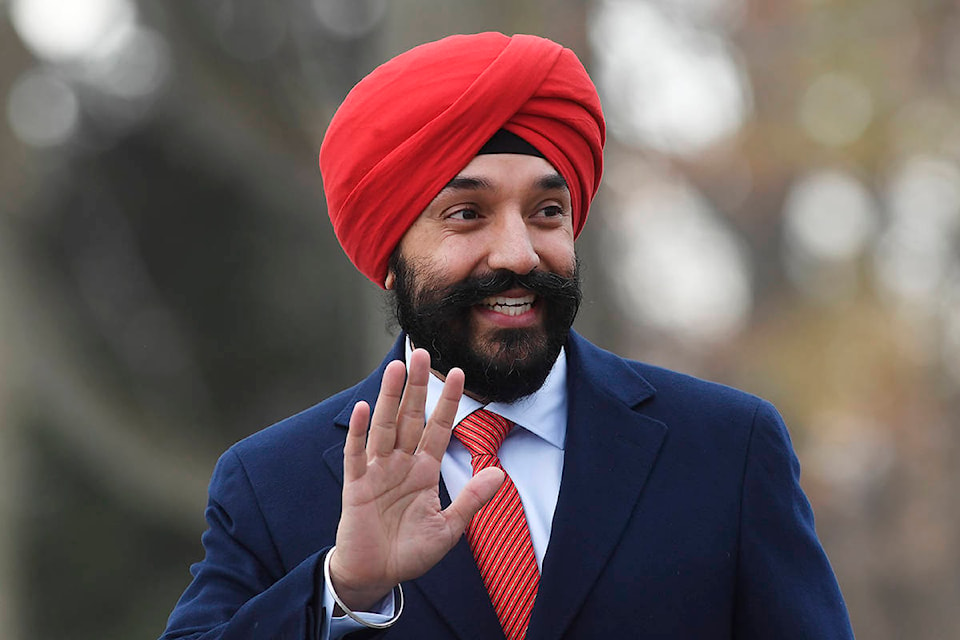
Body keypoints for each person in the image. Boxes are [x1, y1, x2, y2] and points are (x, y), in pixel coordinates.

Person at [161, 32, 854, 640]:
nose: (519, 253)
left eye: (547, 210)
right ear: (390, 259)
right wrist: (343, 590)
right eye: (467, 214)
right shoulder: (272, 484)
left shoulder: (727, 450)